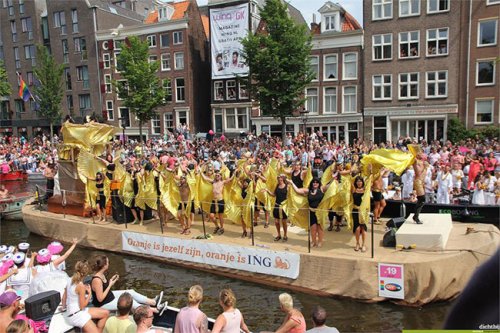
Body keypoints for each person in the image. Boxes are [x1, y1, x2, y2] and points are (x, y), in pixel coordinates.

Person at [90, 255, 165, 312]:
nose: (109, 264)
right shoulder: (97, 280)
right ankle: (155, 310)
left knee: (130, 292)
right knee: (130, 303)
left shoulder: (101, 274)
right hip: (103, 304)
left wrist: (110, 282)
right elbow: (100, 299)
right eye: (108, 262)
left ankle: (153, 302)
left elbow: (103, 288)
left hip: (109, 296)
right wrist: (110, 285)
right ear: (104, 265)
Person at [62, 260, 109, 333]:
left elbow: (64, 297)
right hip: (77, 315)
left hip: (74, 312)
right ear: (86, 274)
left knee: (105, 313)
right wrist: (89, 293)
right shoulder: (81, 286)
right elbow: (82, 306)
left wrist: (63, 308)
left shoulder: (69, 280)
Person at [290, 178, 331, 248]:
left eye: (317, 182)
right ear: (311, 183)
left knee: (320, 229)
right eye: (314, 182)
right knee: (313, 229)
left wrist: (333, 178)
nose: (315, 183)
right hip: (311, 212)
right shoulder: (308, 191)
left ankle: (320, 241)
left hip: (320, 213)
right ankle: (313, 241)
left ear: (319, 184)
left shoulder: (321, 189)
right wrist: (292, 183)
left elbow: (330, 186)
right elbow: (298, 191)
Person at [201, 170, 234, 235]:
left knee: (220, 216)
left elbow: (230, 179)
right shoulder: (213, 182)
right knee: (211, 215)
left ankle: (222, 228)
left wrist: (234, 173)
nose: (217, 176)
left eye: (218, 175)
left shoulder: (222, 182)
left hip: (220, 200)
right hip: (214, 201)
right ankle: (217, 226)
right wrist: (200, 171)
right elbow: (205, 178)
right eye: (216, 175)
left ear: (220, 176)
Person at [265, 174, 288, 241]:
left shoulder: (287, 186)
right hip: (277, 205)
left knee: (284, 222)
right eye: (278, 179)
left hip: (283, 207)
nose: (279, 180)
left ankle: (285, 235)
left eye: (281, 179)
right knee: (276, 222)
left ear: (283, 179)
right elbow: (274, 195)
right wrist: (267, 191)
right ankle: (279, 235)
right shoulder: (277, 186)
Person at [351, 176, 368, 252]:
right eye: (357, 181)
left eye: (360, 181)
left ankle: (363, 244)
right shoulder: (354, 189)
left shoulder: (365, 190)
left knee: (363, 228)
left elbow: (371, 180)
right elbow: (349, 180)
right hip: (355, 210)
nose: (359, 182)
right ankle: (357, 243)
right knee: (357, 229)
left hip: (363, 212)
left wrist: (370, 171)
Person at [412, 153, 427, 224]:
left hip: (422, 182)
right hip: (418, 181)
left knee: (421, 200)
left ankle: (416, 216)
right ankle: (416, 217)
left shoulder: (423, 162)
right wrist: (425, 166)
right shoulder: (416, 162)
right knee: (422, 199)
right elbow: (418, 173)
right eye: (420, 153)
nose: (421, 154)